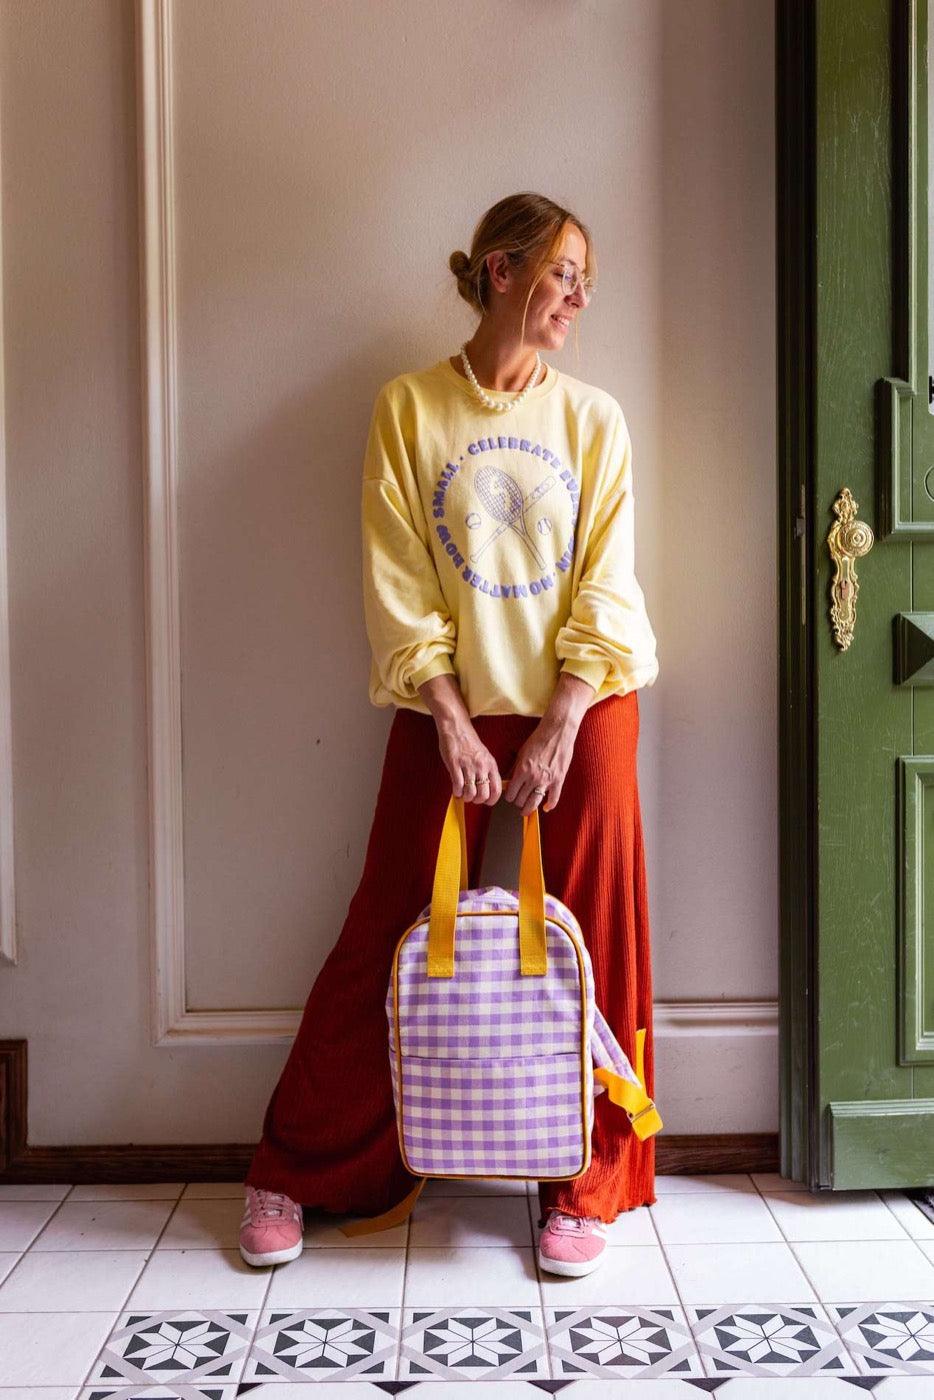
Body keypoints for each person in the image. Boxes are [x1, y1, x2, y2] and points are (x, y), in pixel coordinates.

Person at [239, 191, 660, 1278]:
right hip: (451, 704)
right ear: (501, 270)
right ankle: (302, 1164)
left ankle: (592, 1181)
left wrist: (563, 718)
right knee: (392, 919)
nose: (577, 295)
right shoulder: (408, 407)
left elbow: (608, 583)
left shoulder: (594, 419)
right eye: (563, 272)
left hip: (584, 694)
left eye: (586, 281)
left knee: (600, 921)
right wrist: (451, 720)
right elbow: (397, 578)